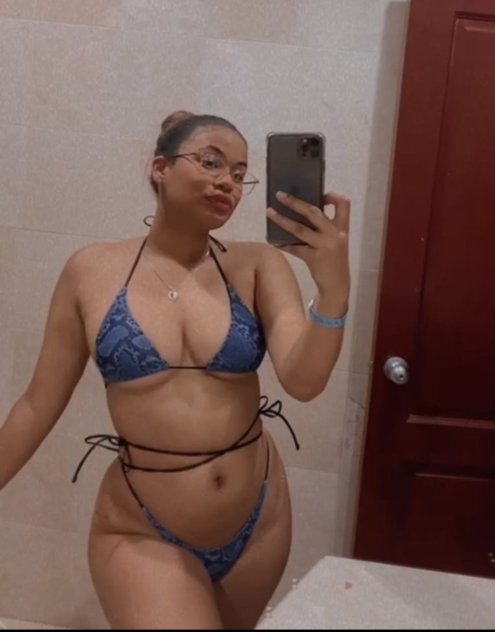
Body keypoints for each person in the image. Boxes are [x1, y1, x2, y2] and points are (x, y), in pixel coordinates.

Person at [0, 110, 350, 630]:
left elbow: (304, 381)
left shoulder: (259, 265)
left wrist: (334, 289)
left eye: (239, 174)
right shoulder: (91, 271)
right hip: (142, 526)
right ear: (160, 167)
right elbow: (37, 403)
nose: (227, 182)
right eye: (210, 162)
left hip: (259, 523)